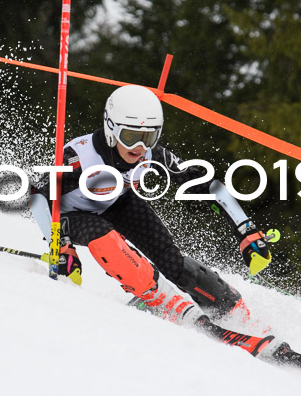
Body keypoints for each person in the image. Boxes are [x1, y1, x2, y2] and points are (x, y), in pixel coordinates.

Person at [30, 85, 275, 329]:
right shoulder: (79, 157)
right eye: (130, 136)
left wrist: (245, 228)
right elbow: (37, 196)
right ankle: (158, 298)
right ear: (111, 128)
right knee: (103, 234)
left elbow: (205, 185)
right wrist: (59, 245)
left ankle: (229, 307)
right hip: (69, 216)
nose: (139, 147)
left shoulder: (151, 154)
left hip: (117, 202)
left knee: (170, 259)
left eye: (148, 137)